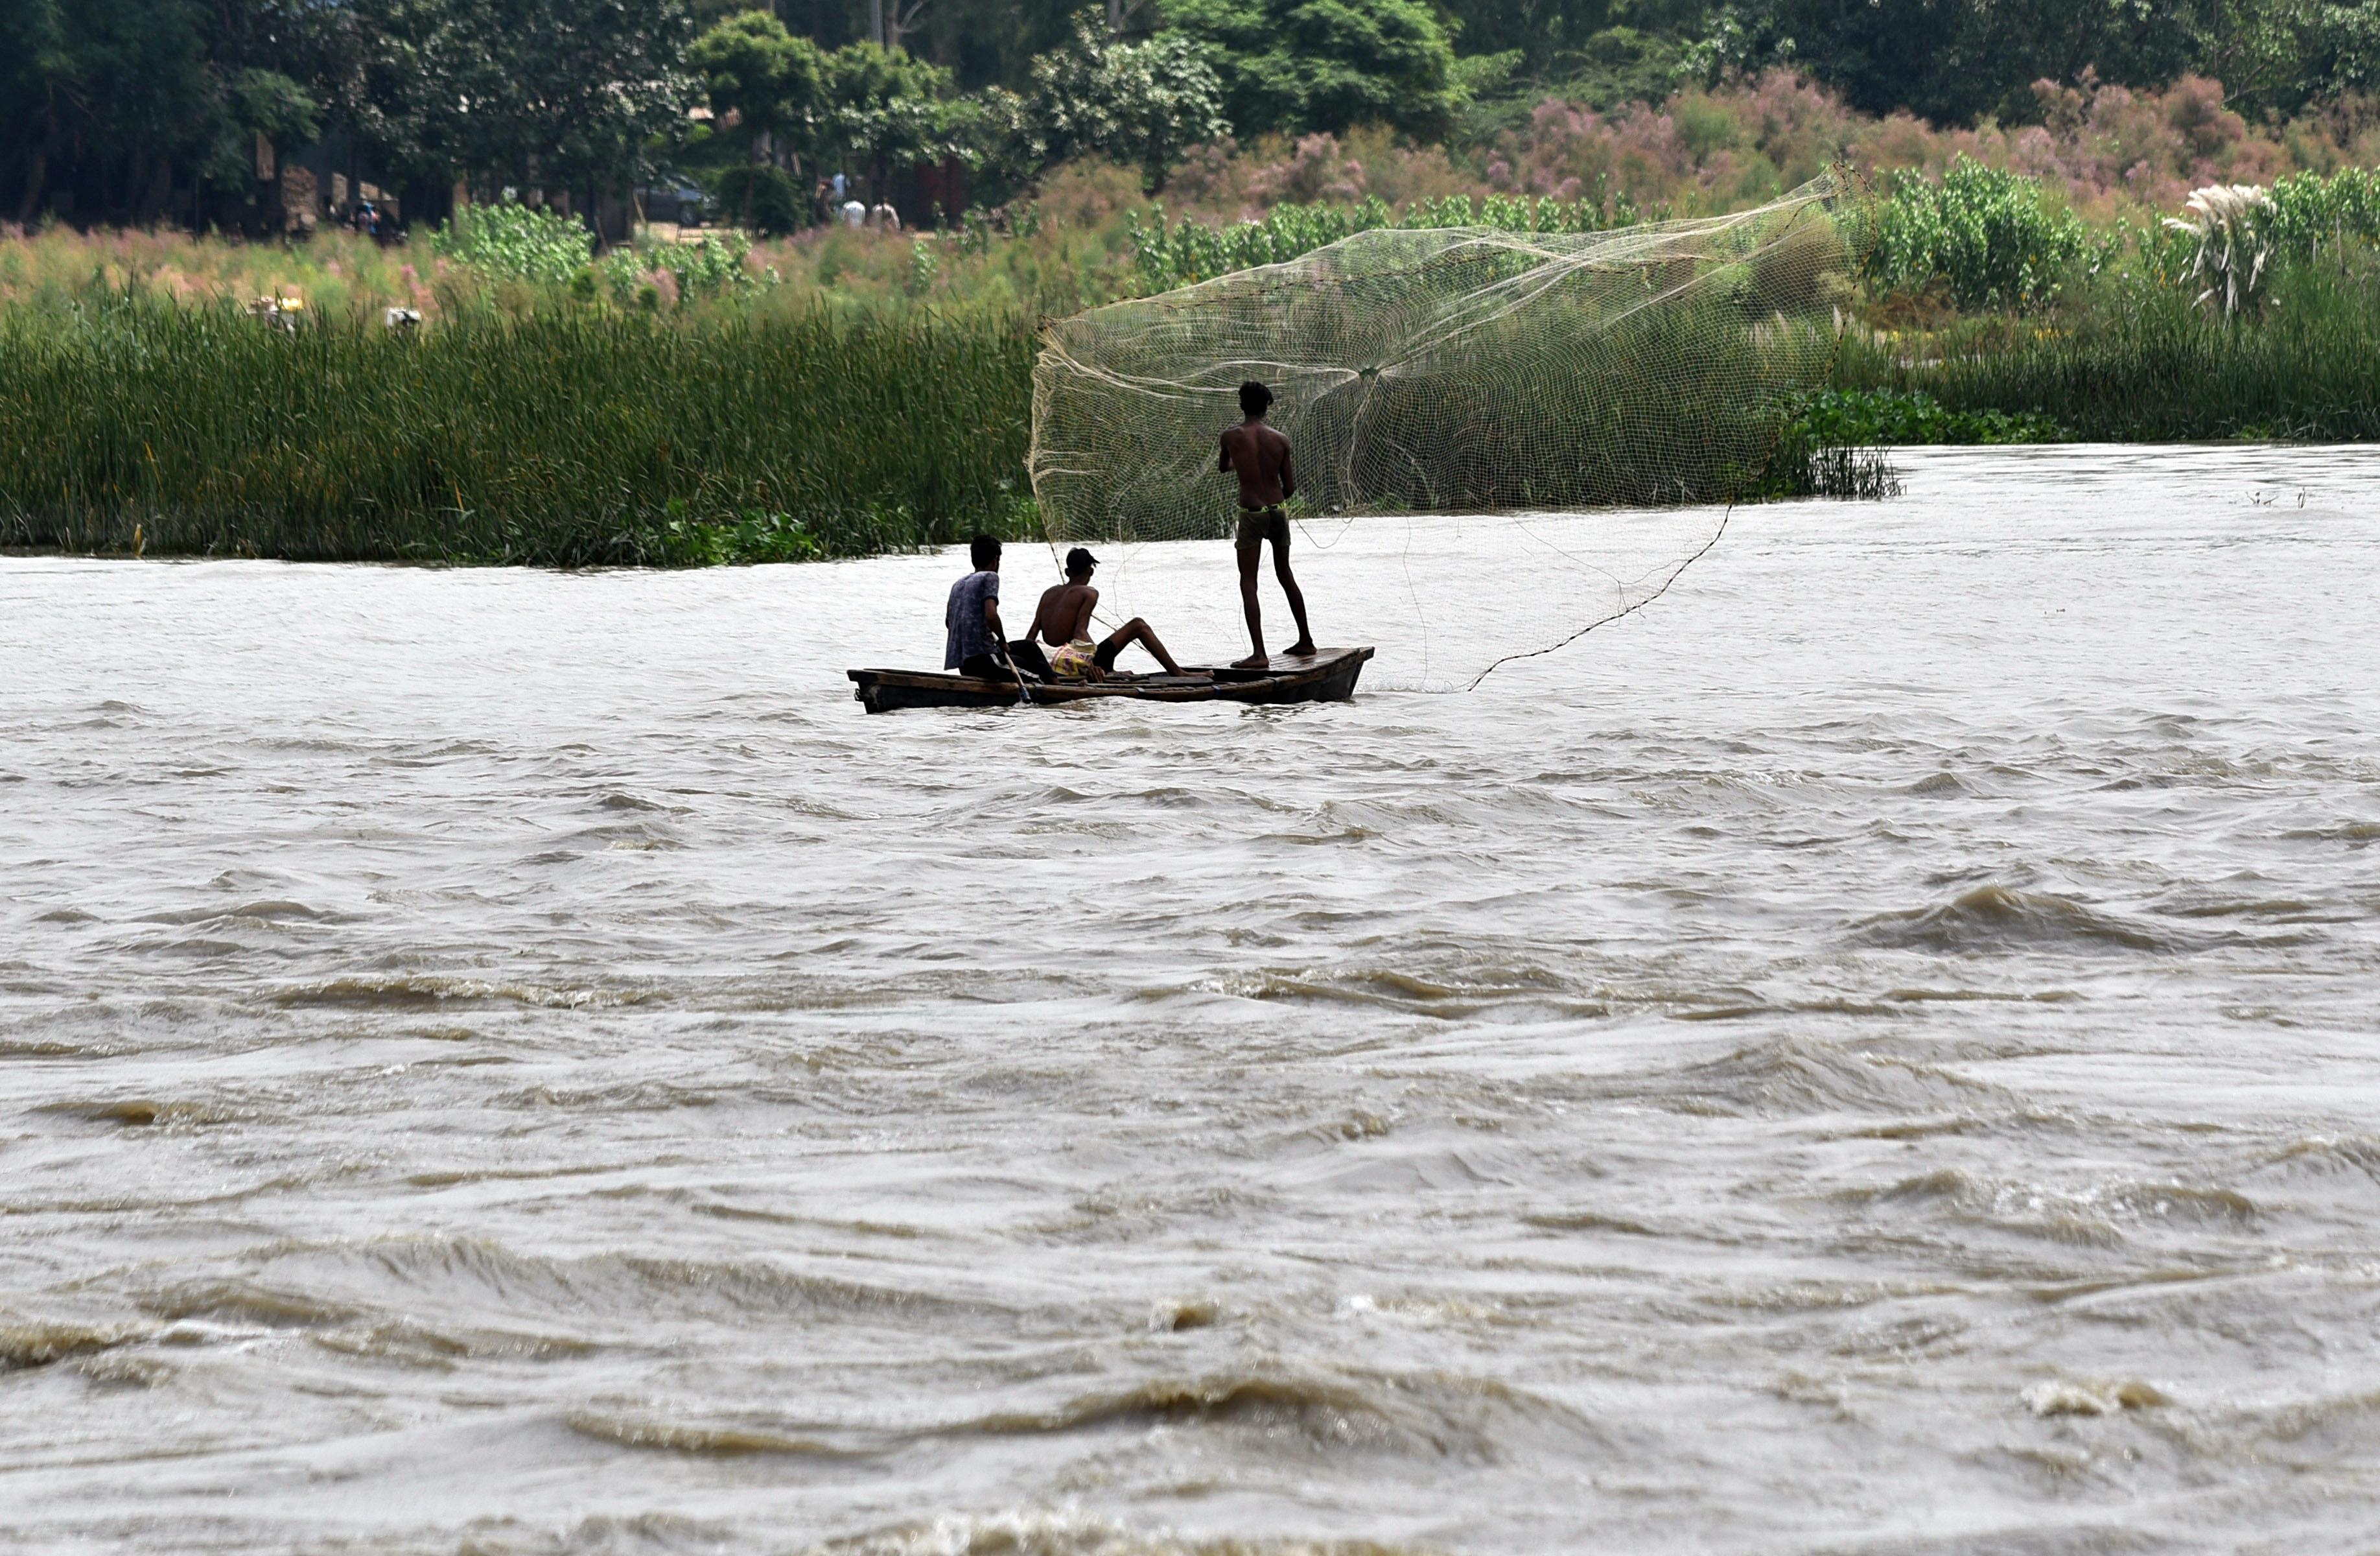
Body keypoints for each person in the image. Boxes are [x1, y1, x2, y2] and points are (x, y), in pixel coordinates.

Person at [1219, 380, 1316, 668]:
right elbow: (1290, 486)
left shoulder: (1230, 437)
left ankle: (1259, 654)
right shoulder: (1281, 439)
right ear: (1266, 408)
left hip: (1251, 513)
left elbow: (1224, 467)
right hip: (1278, 511)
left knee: (1249, 580)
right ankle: (1306, 641)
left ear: (1241, 405)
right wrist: (1275, 503)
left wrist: (1241, 463)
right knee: (1285, 573)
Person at [1023, 548, 1204, 681]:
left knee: (1104, 654)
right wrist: (1092, 666)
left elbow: (1032, 635)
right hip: (1076, 659)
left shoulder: (1049, 593)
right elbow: (1080, 633)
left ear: (1067, 572)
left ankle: (1110, 670)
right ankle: (1177, 672)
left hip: (1054, 659)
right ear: (1091, 571)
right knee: (1138, 625)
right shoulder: (1088, 592)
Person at [944, 534, 1018, 681]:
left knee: (1028, 647)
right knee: (1036, 670)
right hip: (986, 661)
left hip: (965, 665)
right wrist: (1002, 641)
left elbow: (949, 623)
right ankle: (1057, 686)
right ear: (995, 560)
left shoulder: (958, 584)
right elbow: (991, 615)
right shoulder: (990, 576)